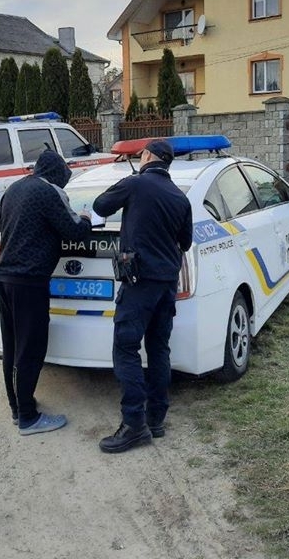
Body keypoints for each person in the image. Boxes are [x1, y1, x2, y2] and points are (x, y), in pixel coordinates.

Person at [92, 139, 194, 453]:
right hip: (166, 284)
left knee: (125, 348)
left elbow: (99, 206)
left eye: (141, 155)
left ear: (147, 157)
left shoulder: (135, 184)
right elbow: (185, 243)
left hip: (138, 283)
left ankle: (134, 424)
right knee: (159, 348)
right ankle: (156, 419)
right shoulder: (180, 198)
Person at [0, 149, 92, 436]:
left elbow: (2, 229)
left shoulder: (13, 188)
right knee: (31, 348)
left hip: (4, 278)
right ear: (58, 174)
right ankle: (28, 417)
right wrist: (85, 217)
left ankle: (18, 408)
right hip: (29, 282)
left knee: (13, 347)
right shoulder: (50, 192)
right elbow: (74, 231)